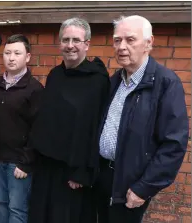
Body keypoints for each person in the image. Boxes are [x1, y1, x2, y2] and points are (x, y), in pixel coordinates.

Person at [95, 15, 188, 223]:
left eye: (130, 40)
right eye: (117, 40)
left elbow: (173, 144)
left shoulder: (165, 84)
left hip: (131, 185)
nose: (122, 46)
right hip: (104, 177)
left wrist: (143, 188)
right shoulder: (115, 81)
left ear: (149, 43)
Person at [27, 18, 110, 223]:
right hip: (47, 167)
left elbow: (94, 127)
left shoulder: (97, 80)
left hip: (73, 173)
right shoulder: (55, 74)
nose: (70, 45)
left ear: (87, 44)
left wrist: (82, 172)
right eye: (65, 40)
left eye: (76, 40)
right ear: (59, 43)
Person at [0, 34, 43, 223]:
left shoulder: (34, 89)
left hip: (18, 163)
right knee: (1, 203)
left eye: (17, 53)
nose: (11, 57)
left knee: (17, 209)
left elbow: (38, 129)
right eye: (7, 53)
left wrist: (26, 162)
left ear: (28, 57)